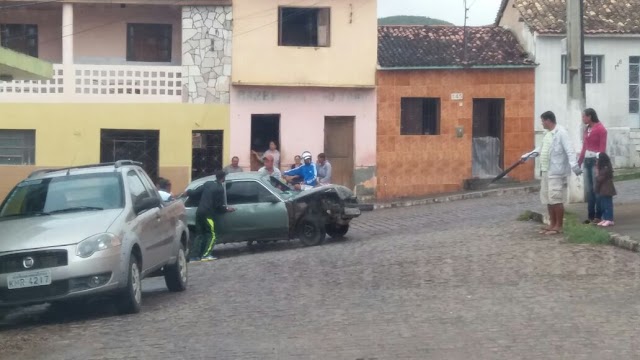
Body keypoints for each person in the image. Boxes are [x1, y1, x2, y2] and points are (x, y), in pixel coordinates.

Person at [520, 111, 582, 236]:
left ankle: (559, 226)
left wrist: (574, 166)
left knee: (556, 199)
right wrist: (527, 156)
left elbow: (569, 150)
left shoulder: (562, 133)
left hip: (557, 172)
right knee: (548, 199)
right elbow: (541, 149)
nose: (542, 123)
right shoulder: (547, 134)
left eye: (542, 121)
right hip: (546, 171)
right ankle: (552, 224)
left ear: (548, 120)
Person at [185, 170, 235, 261]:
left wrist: (188, 192)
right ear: (223, 178)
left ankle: (194, 256)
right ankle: (206, 255)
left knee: (200, 234)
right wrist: (227, 209)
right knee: (212, 235)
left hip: (199, 212)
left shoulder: (208, 184)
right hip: (208, 214)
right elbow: (218, 206)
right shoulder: (220, 189)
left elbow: (194, 192)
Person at [577, 108, 608, 224]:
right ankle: (590, 215)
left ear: (590, 117)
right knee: (589, 190)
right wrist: (579, 161)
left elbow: (602, 148)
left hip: (596, 161)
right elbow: (584, 147)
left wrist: (598, 164)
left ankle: (598, 215)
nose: (583, 119)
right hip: (587, 161)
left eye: (584, 116)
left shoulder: (601, 129)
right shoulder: (587, 129)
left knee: (597, 190)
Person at [595, 152, 616, 227]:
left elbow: (600, 178)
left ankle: (609, 219)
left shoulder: (606, 167)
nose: (596, 162)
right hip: (603, 189)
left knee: (607, 205)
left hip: (607, 189)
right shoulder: (603, 167)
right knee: (603, 205)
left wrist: (597, 175)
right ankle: (605, 218)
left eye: (597, 160)